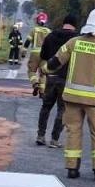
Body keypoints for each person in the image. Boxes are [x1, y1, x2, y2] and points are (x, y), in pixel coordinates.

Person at [47, 6, 95, 180]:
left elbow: (54, 63)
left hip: (72, 98)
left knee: (73, 132)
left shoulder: (73, 43)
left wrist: (43, 70)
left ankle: (72, 168)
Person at [35, 15, 77, 146]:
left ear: (63, 23)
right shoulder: (76, 39)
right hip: (66, 79)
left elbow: (43, 55)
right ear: (74, 25)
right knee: (62, 110)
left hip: (51, 78)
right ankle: (54, 139)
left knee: (46, 107)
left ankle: (40, 136)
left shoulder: (51, 36)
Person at [26, 11, 51, 96]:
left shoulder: (34, 30)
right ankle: (42, 92)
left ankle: (35, 83)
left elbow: (28, 41)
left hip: (35, 54)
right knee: (43, 73)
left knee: (31, 71)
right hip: (45, 54)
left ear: (37, 20)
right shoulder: (49, 31)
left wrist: (23, 51)